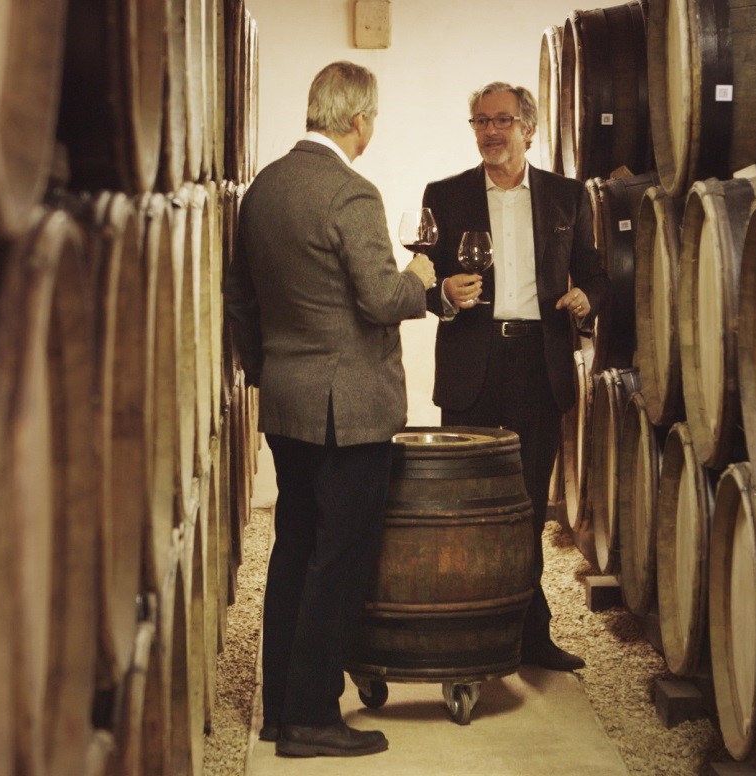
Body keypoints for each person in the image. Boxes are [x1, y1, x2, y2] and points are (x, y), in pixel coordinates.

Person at [223, 61, 435, 757]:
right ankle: (313, 717)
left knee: (294, 551)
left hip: (288, 405)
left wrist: (269, 371)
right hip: (349, 413)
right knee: (339, 561)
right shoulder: (351, 192)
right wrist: (419, 278)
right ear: (358, 119)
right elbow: (380, 298)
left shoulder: (265, 187)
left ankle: (281, 710)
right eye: (373, 117)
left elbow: (239, 299)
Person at [421, 82, 607, 672]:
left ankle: (530, 634)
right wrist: (443, 293)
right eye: (480, 121)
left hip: (537, 364)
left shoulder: (565, 195)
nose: (490, 132)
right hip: (471, 367)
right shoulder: (444, 195)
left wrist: (586, 298)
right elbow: (420, 279)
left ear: (529, 127)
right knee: (465, 504)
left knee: (525, 506)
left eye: (502, 121)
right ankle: (465, 632)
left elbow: (596, 274)